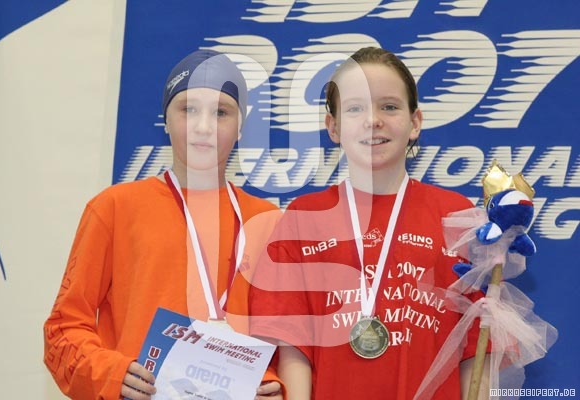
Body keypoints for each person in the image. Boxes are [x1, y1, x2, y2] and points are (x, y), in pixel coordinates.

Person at [249, 47, 490, 399]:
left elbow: (476, 348)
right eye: (355, 108)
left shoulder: (456, 215)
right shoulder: (303, 217)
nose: (373, 120)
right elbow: (292, 345)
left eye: (389, 107)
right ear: (333, 127)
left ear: (415, 122)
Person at [44, 49, 283, 400]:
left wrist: (272, 384)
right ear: (166, 120)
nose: (203, 127)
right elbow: (63, 328)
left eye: (221, 112)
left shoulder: (270, 222)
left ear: (240, 126)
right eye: (188, 109)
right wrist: (111, 373)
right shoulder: (114, 208)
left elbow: (286, 340)